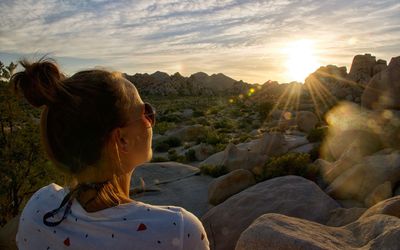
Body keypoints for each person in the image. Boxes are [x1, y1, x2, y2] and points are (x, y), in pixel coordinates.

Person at [11, 58, 210, 250]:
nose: (152, 118)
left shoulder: (39, 206)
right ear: (122, 139)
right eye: (146, 112)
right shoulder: (177, 230)